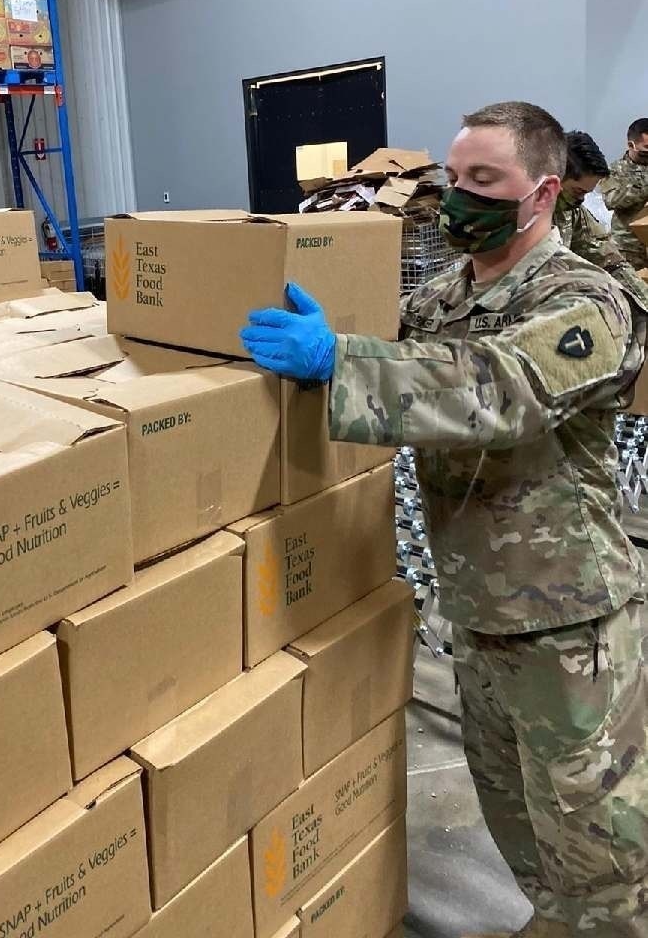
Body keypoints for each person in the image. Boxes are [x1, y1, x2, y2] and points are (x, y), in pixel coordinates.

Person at [241, 102, 647, 938]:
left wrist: (340, 360)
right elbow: (410, 374)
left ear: (539, 194)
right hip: (472, 611)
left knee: (599, 842)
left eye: (483, 181)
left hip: (566, 625)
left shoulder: (590, 302)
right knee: (517, 818)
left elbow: (498, 393)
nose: (459, 197)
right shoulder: (439, 299)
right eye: (455, 178)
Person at [556, 130, 648, 310]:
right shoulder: (513, 213)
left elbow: (610, 260)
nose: (581, 200)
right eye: (578, 191)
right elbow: (613, 199)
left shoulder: (574, 213)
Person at [599, 118, 648, 271]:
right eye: (646, 148)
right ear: (631, 145)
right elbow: (612, 200)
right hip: (629, 247)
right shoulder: (613, 171)